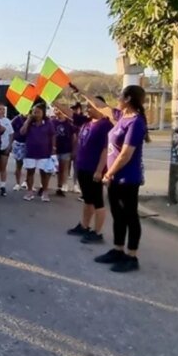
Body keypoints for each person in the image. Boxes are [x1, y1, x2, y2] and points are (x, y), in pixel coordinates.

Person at [93, 85, 150, 273]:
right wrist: (78, 91)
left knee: (130, 216)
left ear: (127, 99)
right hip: (115, 178)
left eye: (120, 96)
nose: (117, 98)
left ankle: (131, 256)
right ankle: (118, 250)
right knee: (118, 215)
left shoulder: (136, 122)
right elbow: (101, 106)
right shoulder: (121, 117)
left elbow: (126, 154)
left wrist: (109, 173)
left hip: (128, 178)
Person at [62, 96, 113, 244]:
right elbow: (69, 114)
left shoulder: (106, 126)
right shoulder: (86, 122)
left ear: (100, 107)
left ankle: (97, 232)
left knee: (98, 201)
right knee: (87, 199)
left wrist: (99, 170)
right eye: (87, 106)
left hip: (94, 169)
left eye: (90, 106)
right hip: (83, 167)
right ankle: (84, 226)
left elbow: (105, 150)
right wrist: (54, 102)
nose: (87, 109)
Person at [20, 104, 55, 202]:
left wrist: (53, 148)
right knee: (30, 172)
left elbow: (52, 135)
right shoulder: (29, 123)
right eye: (34, 112)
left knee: (44, 173)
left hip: (44, 152)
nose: (36, 114)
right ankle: (30, 191)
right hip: (30, 151)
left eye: (38, 112)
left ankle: (45, 192)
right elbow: (22, 132)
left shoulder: (48, 123)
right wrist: (28, 121)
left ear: (43, 113)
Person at [52, 107, 76, 196]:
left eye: (59, 110)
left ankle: (61, 186)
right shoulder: (53, 122)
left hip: (66, 149)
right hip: (54, 150)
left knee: (64, 168)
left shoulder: (69, 123)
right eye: (56, 110)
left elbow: (74, 138)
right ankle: (45, 186)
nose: (58, 112)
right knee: (55, 169)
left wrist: (74, 150)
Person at [0, 106, 14, 197]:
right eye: (1, 109)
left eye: (4, 110)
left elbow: (11, 134)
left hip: (4, 147)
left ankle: (3, 186)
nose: (2, 111)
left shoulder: (7, 121)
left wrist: (10, 145)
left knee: (3, 167)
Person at [10, 111, 29, 191]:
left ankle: (27, 182)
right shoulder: (16, 119)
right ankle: (18, 183)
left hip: (29, 143)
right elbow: (12, 132)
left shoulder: (31, 119)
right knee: (18, 165)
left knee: (29, 166)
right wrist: (10, 144)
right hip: (18, 143)